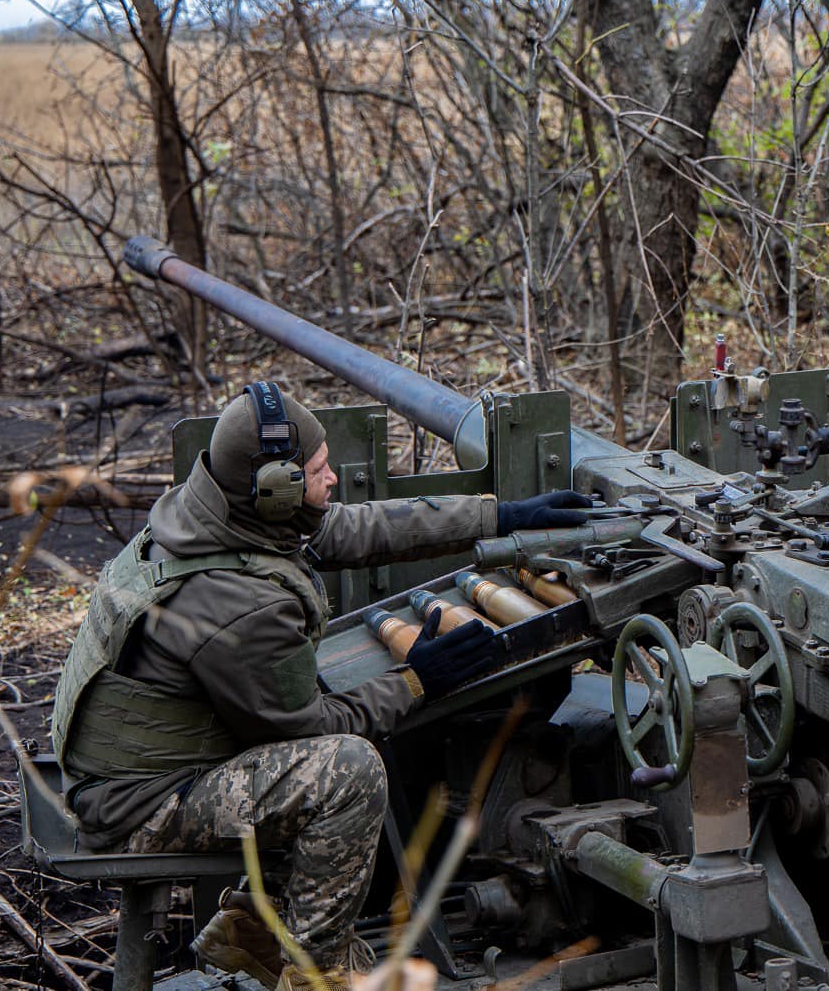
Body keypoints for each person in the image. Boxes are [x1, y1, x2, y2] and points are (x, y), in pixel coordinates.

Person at [50, 382, 592, 991]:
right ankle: (315, 972)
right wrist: (418, 679)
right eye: (318, 470)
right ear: (275, 490)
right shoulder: (236, 605)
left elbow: (348, 529)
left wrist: (500, 517)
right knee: (346, 774)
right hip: (139, 805)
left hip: (134, 768)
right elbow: (310, 728)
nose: (332, 479)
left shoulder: (216, 514)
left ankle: (258, 931)